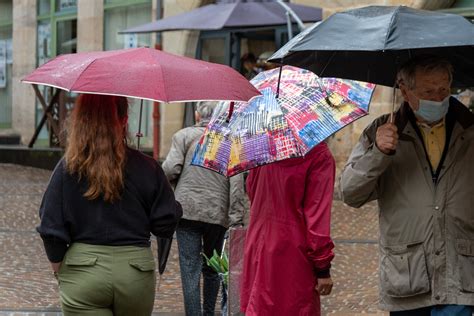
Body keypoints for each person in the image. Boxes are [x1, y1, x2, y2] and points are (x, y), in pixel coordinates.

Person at [340, 55, 474, 316]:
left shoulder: (469, 131)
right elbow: (351, 193)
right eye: (428, 92)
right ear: (404, 90)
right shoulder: (381, 132)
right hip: (407, 277)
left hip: (460, 274)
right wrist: (378, 153)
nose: (438, 98)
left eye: (443, 90)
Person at [37, 94, 182, 315]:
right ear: (124, 120)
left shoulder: (68, 169)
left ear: (81, 121)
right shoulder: (147, 167)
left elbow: (51, 226)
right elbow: (164, 224)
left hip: (83, 272)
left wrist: (59, 268)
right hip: (135, 273)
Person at [162, 101, 247, 316]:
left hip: (187, 210)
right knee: (212, 268)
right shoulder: (230, 142)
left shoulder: (183, 136)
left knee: (189, 269)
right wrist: (236, 218)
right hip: (216, 214)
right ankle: (208, 312)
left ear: (198, 115)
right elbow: (237, 184)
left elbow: (171, 169)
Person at [240, 142, 336, 316]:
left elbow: (251, 190)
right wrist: (323, 268)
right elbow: (317, 218)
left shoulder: (263, 149)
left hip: (257, 244)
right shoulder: (319, 155)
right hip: (293, 253)